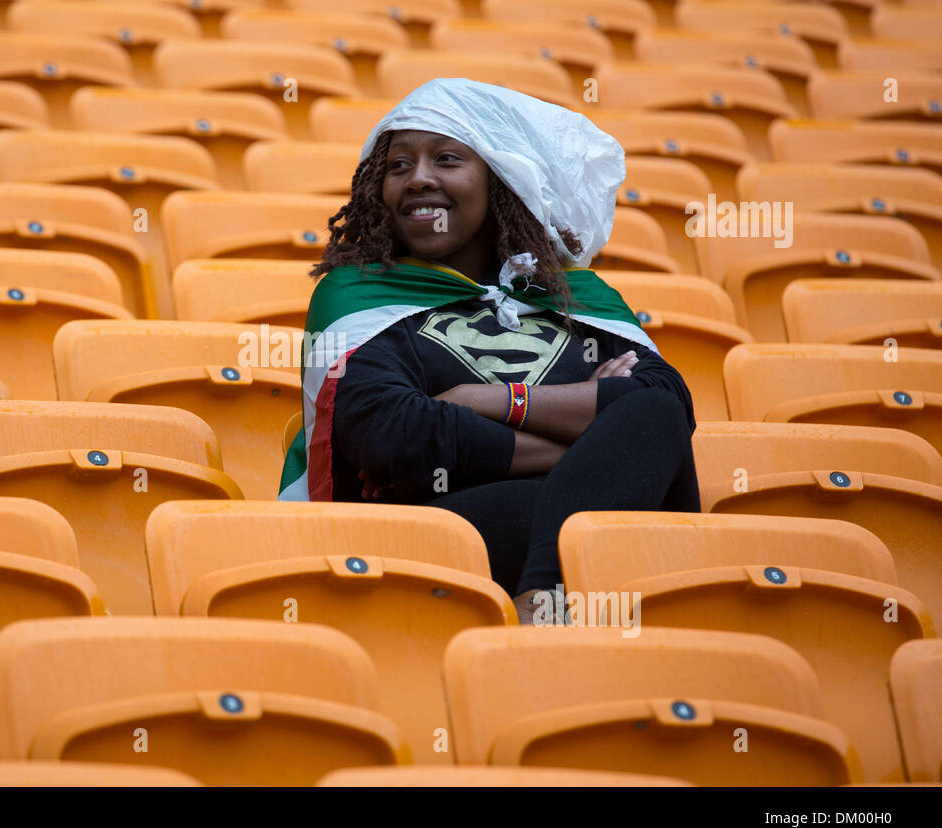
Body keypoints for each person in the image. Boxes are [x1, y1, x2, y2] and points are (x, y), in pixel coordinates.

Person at [279, 78, 700, 625]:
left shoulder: (581, 298)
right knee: (587, 494)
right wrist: (596, 446)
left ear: (502, 180)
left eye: (447, 159)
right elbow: (394, 436)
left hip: (602, 541)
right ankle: (546, 605)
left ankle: (543, 602)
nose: (419, 178)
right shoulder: (357, 295)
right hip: (429, 542)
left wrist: (487, 401)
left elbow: (664, 408)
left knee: (651, 414)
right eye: (399, 165)